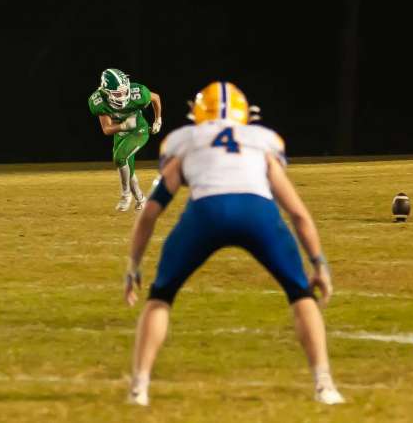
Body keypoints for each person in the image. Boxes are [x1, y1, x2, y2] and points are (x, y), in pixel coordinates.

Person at [123, 80, 344, 406]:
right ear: (245, 115)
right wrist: (319, 263)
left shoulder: (187, 141)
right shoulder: (260, 141)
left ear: (197, 113)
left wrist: (133, 266)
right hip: (258, 213)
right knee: (301, 295)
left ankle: (139, 388)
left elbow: (150, 213)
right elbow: (298, 213)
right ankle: (325, 385)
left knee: (161, 297)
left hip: (205, 213)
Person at [88, 68, 162, 211]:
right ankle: (141, 199)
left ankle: (125, 195)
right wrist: (123, 126)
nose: (123, 96)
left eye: (124, 91)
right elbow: (107, 129)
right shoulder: (98, 101)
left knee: (120, 158)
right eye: (117, 93)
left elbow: (156, 98)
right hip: (121, 131)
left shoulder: (138, 93)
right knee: (128, 169)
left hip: (138, 130)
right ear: (106, 92)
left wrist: (158, 120)